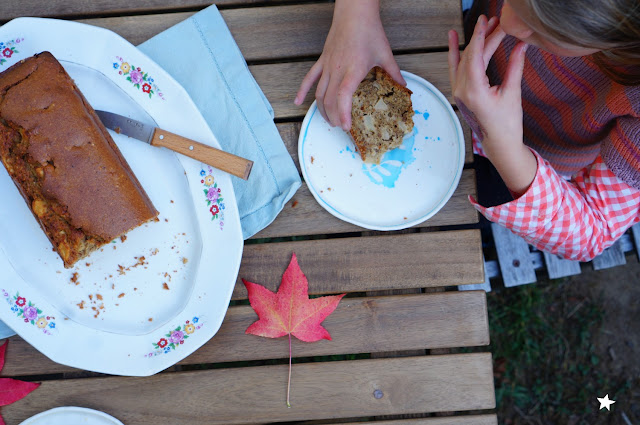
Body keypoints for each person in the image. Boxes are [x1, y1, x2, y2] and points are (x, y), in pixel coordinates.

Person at [296, 0, 640, 261]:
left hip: (528, 170)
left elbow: (593, 231)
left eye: (545, 30)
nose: (507, 21)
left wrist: (506, 149)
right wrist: (356, 14)